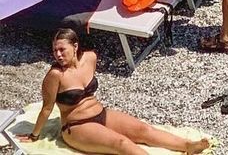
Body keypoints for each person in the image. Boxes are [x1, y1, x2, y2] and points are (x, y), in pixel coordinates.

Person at [21, 28, 210, 153]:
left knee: (144, 130)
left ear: (75, 46)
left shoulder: (90, 58)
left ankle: (187, 146)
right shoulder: (55, 75)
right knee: (121, 144)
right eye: (55, 51)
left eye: (62, 49)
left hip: (101, 114)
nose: (58, 55)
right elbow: (47, 108)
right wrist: (34, 135)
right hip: (76, 127)